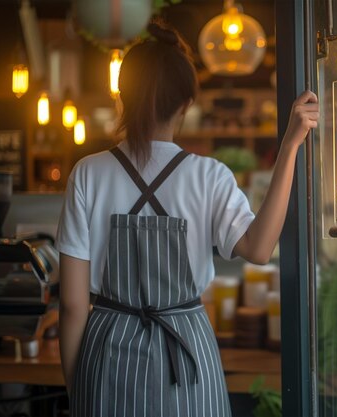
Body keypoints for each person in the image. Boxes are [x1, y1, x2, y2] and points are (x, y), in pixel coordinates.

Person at [56, 20, 318, 417]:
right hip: (187, 353)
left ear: (123, 96)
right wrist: (290, 146)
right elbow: (260, 249)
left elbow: (73, 305)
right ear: (186, 103)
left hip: (106, 352)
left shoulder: (88, 173)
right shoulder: (208, 175)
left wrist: (80, 393)